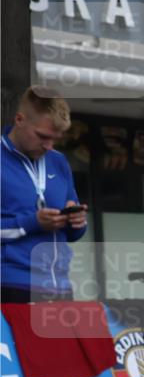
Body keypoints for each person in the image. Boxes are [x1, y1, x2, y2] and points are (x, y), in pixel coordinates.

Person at [1, 86, 87, 302]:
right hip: (11, 285)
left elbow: (73, 235)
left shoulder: (58, 161)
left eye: (55, 139)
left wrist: (77, 222)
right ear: (19, 120)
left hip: (61, 287)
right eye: (42, 136)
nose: (49, 146)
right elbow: (32, 223)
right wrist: (32, 223)